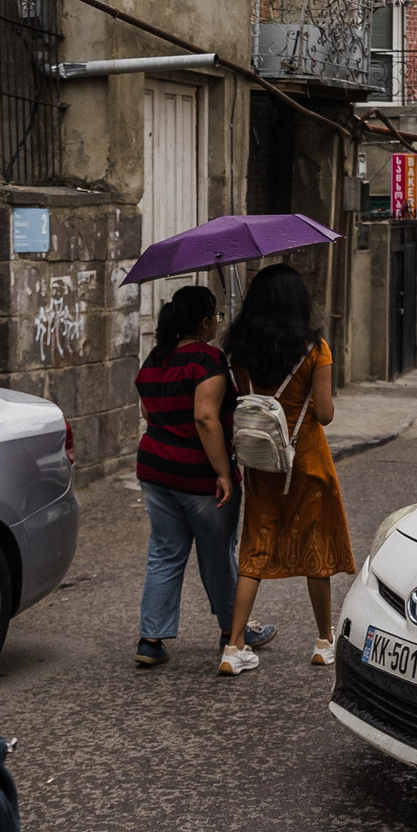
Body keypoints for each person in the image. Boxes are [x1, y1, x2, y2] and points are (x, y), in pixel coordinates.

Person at [220, 263, 356, 674]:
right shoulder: (316, 349)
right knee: (316, 551)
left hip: (262, 464)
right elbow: (326, 414)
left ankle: (233, 645)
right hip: (308, 463)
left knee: (255, 548)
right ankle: (322, 641)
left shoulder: (240, 350)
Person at [132, 284, 272, 667]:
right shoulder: (207, 360)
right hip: (197, 475)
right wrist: (223, 472)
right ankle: (234, 631)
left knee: (164, 553)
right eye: (216, 318)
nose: (217, 324)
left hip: (156, 470)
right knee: (218, 554)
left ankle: (150, 639)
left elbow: (150, 415)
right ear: (204, 321)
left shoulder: (154, 360)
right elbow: (205, 417)